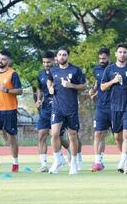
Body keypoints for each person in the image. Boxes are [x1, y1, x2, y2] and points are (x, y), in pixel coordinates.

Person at [101, 43, 127, 174]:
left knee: (126, 134)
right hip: (114, 106)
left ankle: (122, 161)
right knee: (117, 137)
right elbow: (102, 87)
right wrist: (113, 81)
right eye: (120, 52)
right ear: (116, 54)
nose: (122, 54)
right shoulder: (109, 69)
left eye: (124, 52)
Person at [47, 46, 87, 175]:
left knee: (73, 136)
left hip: (71, 108)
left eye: (64, 55)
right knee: (54, 134)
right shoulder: (53, 70)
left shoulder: (75, 70)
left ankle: (74, 163)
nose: (61, 57)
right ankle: (58, 159)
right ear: (56, 57)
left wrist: (72, 86)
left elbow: (84, 86)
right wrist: (50, 88)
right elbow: (49, 81)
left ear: (67, 56)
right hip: (57, 108)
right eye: (59, 55)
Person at [0, 49, 23, 173]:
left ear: (8, 61)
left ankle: (15, 164)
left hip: (10, 110)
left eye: (3, 59)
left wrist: (6, 90)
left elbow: (19, 91)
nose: (0, 61)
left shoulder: (13, 74)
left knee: (11, 138)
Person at [89, 48, 111, 172]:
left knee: (119, 136)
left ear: (109, 58)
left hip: (114, 107)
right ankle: (98, 161)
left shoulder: (114, 68)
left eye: (104, 59)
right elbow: (98, 83)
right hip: (101, 107)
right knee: (98, 133)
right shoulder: (96, 69)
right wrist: (93, 91)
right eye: (100, 59)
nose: (102, 61)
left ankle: (126, 157)